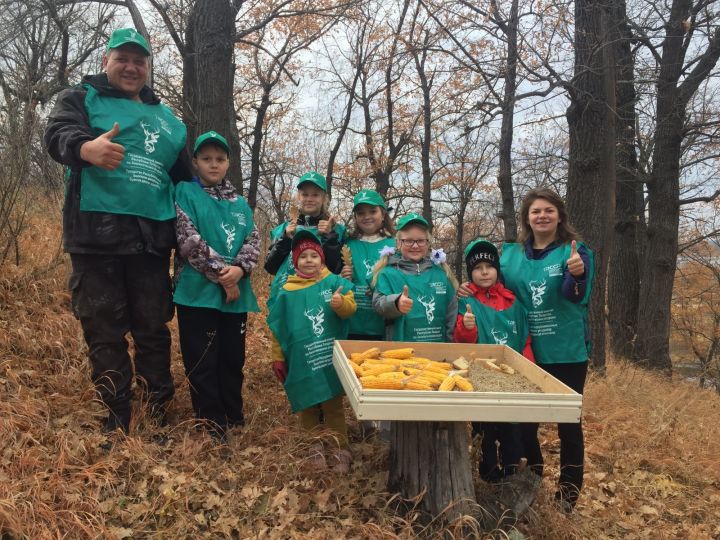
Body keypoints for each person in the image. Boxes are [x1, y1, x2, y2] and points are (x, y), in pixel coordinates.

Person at [44, 28, 191, 435]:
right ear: (107, 60)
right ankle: (116, 415)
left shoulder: (168, 122)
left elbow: (186, 182)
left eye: (139, 60)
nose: (131, 67)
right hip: (96, 239)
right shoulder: (80, 98)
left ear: (147, 67)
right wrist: (84, 148)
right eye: (122, 58)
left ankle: (158, 410)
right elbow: (56, 135)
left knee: (153, 330)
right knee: (103, 330)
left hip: (151, 243)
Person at [500, 187, 594, 512]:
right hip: (525, 352)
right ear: (527, 217)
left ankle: (567, 498)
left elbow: (574, 295)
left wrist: (577, 275)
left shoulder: (575, 251)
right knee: (525, 423)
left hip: (567, 352)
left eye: (548, 210)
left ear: (559, 216)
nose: (542, 215)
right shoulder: (509, 255)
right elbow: (493, 289)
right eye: (536, 211)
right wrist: (472, 285)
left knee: (568, 426)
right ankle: (532, 476)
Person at [173, 131, 260, 441]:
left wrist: (239, 270)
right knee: (203, 358)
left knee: (232, 358)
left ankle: (233, 415)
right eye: (207, 159)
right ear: (195, 161)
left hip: (235, 296)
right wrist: (223, 276)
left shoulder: (240, 203)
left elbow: (253, 240)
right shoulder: (185, 192)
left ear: (228, 163)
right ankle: (211, 423)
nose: (214, 164)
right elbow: (188, 239)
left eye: (220, 159)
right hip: (197, 294)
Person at [267, 228, 356, 472]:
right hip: (300, 360)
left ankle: (339, 448)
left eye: (314, 256)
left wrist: (340, 304)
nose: (309, 260)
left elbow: (350, 309)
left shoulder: (334, 283)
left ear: (322, 259)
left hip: (328, 358)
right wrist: (277, 356)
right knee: (307, 404)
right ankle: (313, 446)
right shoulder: (286, 291)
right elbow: (278, 327)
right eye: (303, 256)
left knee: (333, 406)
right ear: (295, 260)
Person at [454, 238, 534, 483]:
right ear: (471, 273)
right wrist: (467, 327)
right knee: (484, 430)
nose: (484, 272)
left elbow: (525, 340)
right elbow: (461, 342)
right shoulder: (466, 302)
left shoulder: (513, 302)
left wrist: (529, 370)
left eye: (489, 267)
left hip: (512, 380)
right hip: (481, 378)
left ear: (497, 270)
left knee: (512, 430)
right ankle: (489, 475)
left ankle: (512, 474)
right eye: (478, 268)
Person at [372, 213, 458, 342]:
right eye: (409, 241)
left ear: (428, 243)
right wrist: (395, 303)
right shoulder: (387, 274)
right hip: (401, 352)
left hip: (437, 353)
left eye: (420, 241)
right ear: (398, 243)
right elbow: (378, 304)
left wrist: (451, 346)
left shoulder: (441, 274)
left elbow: (452, 315)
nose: (415, 246)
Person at [264, 172, 344, 309]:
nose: (309, 199)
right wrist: (285, 239)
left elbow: (337, 270)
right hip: (287, 300)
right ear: (298, 197)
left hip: (321, 301)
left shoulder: (337, 230)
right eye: (305, 194)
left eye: (315, 195)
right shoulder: (283, 229)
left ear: (324, 198)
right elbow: (271, 267)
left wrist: (329, 237)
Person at [340, 189, 395, 341]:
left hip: (383, 324)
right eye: (361, 213)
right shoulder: (347, 244)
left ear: (383, 214)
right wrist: (342, 277)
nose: (367, 217)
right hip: (352, 323)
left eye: (372, 211)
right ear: (356, 217)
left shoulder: (395, 244)